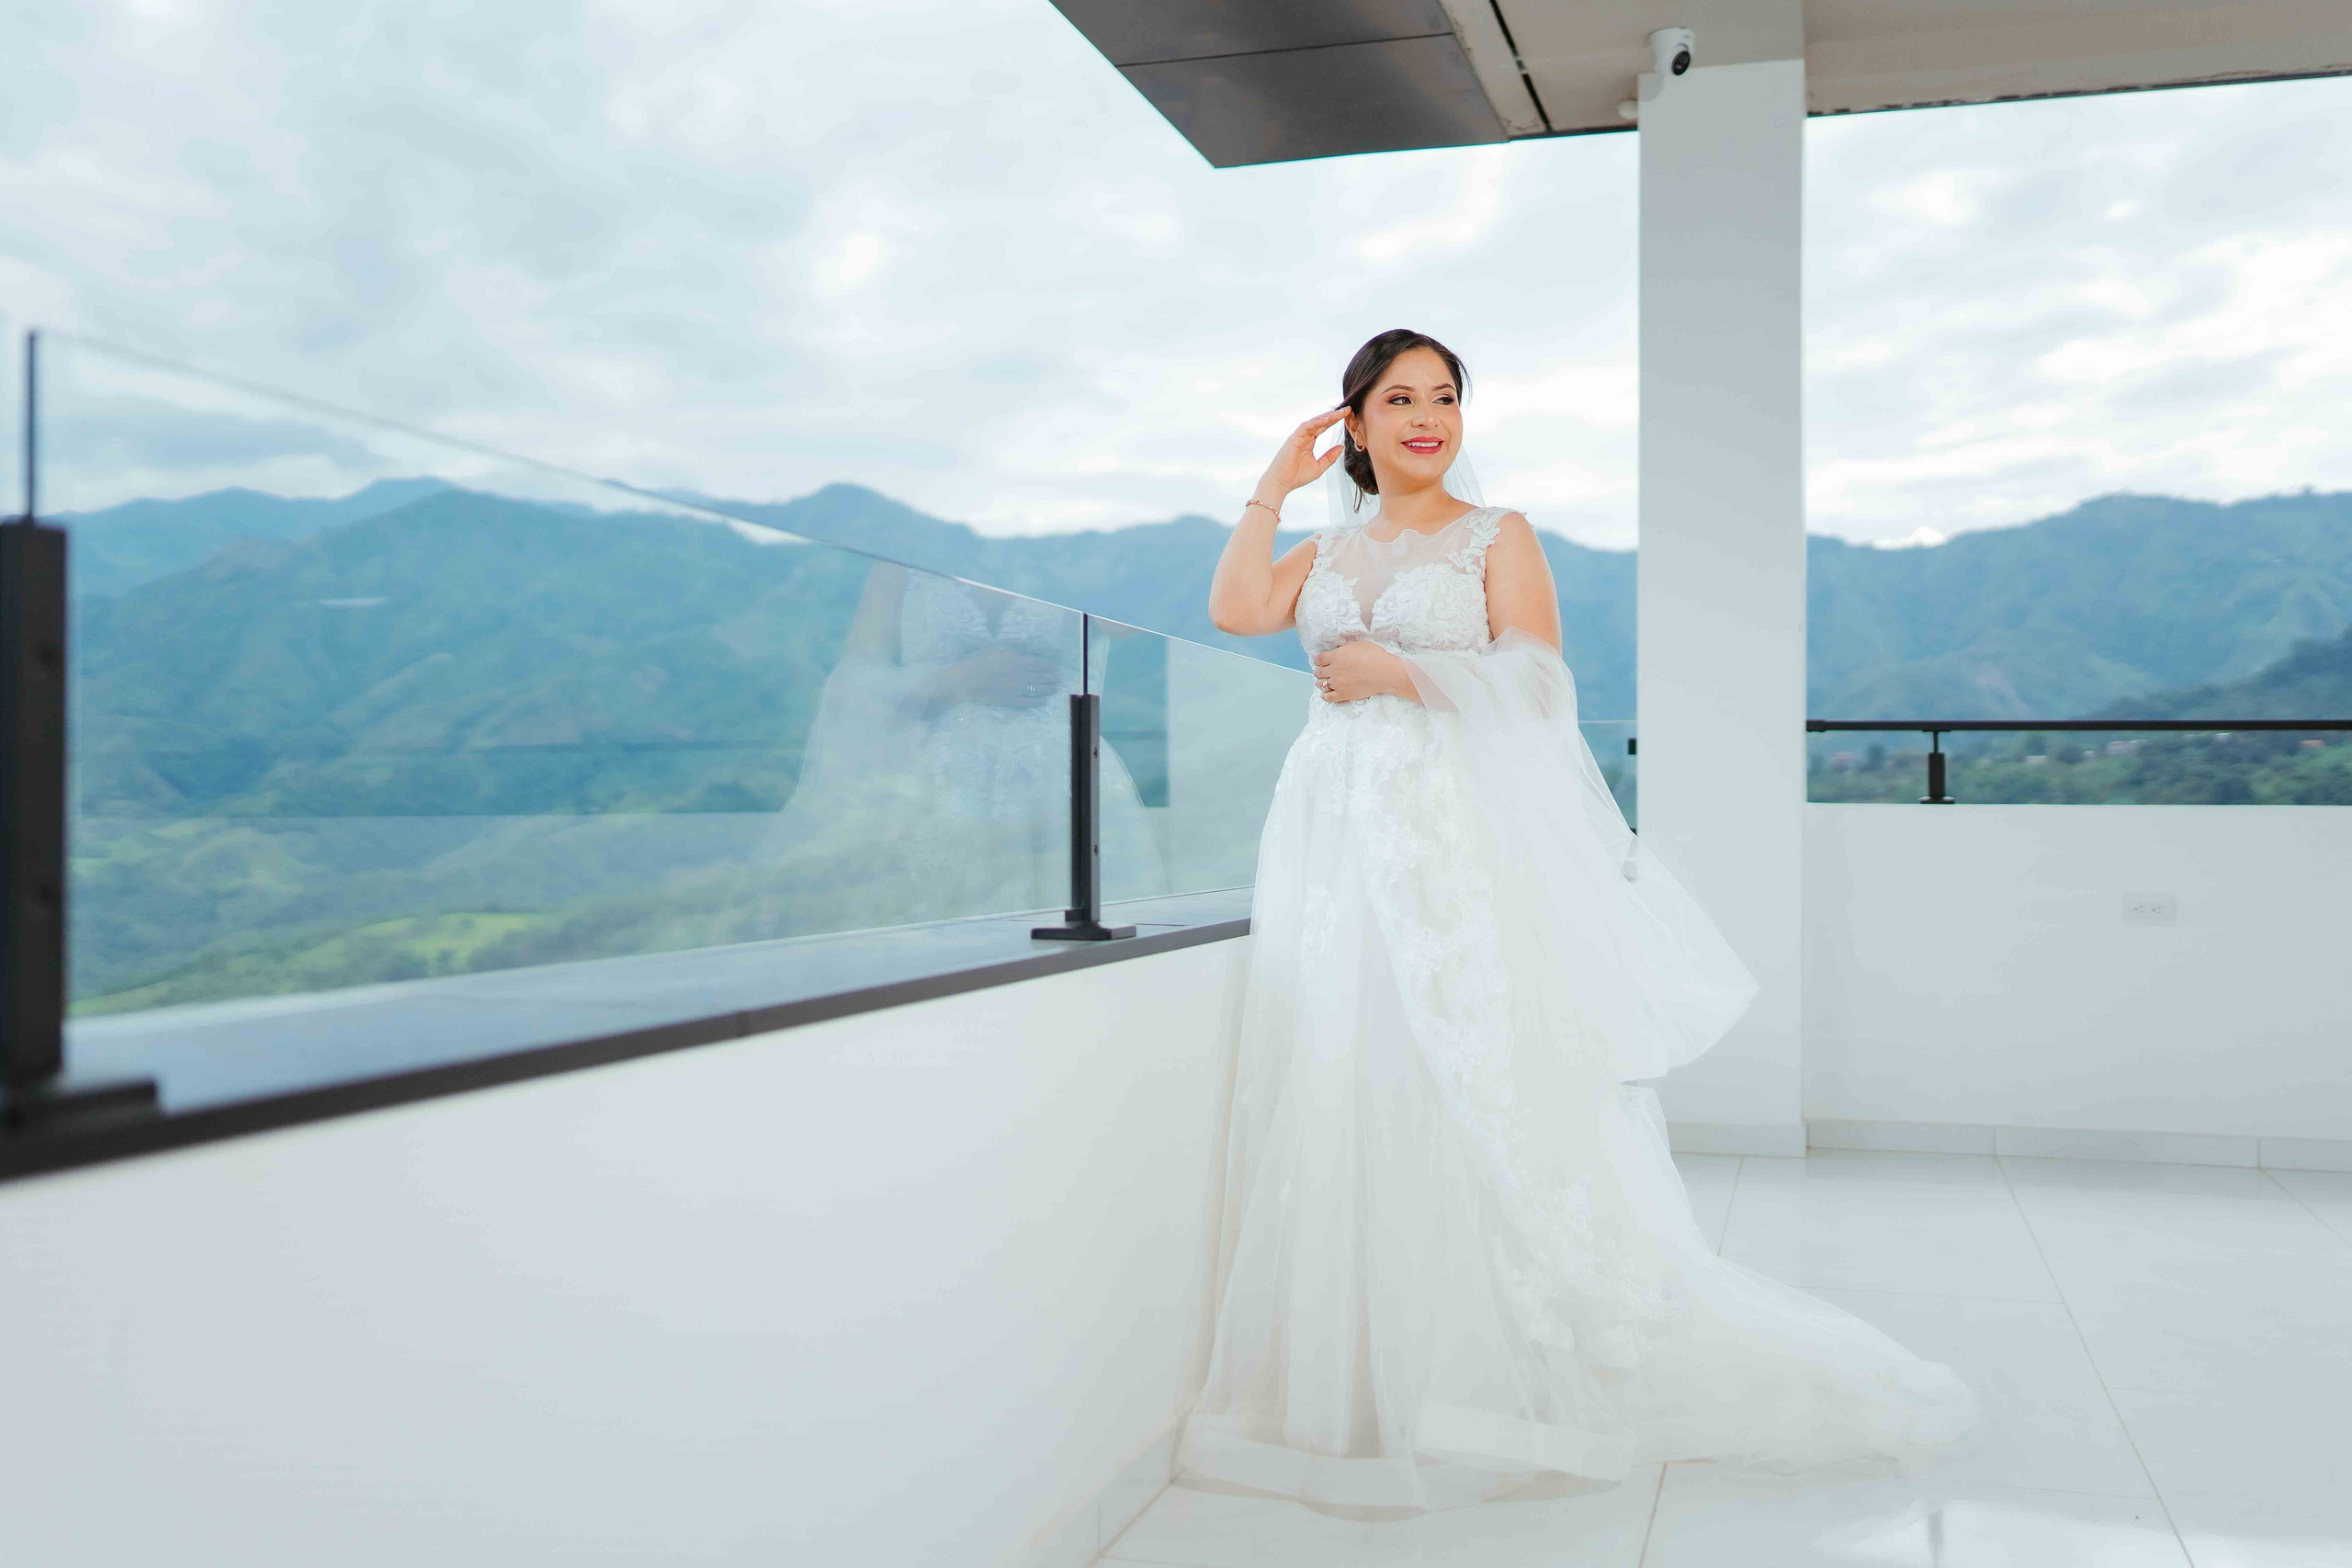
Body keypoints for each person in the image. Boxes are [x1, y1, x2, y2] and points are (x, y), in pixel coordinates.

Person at [1187, 328, 1974, 1514]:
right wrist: (1273, 481)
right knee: (1362, 1086)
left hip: (1450, 859)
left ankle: (1505, 1368)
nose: (1426, 418)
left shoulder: (1498, 537)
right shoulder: (1326, 546)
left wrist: (1403, 676)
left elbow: (1546, 686)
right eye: (1397, 399)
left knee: (1476, 1086)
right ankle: (1377, 1370)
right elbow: (1237, 604)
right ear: (1354, 423)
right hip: (1340, 855)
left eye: (1444, 397)